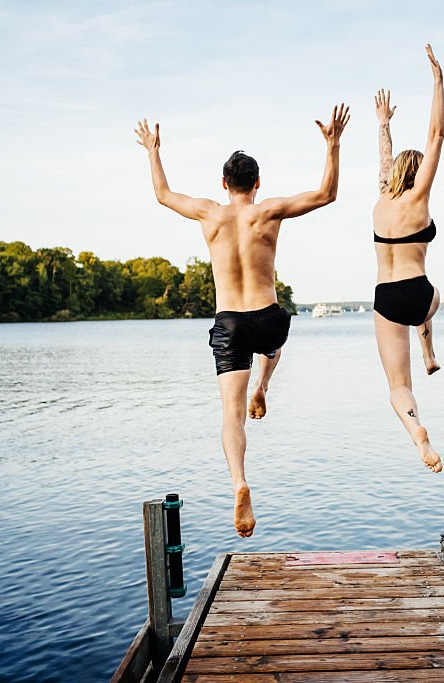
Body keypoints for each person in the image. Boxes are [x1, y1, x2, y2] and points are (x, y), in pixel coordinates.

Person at [135, 104, 350, 537]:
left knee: (231, 415)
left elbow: (163, 194)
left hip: (228, 320)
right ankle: (264, 383)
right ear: (256, 184)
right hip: (266, 317)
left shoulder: (208, 212)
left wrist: (153, 151)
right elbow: (326, 194)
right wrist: (333, 144)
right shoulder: (267, 210)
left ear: (223, 184)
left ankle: (238, 481)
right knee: (276, 338)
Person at [372, 45, 444, 473]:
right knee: (435, 298)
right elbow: (436, 137)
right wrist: (437, 82)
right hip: (420, 293)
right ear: (418, 175)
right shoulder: (419, 199)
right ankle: (430, 351)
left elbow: (385, 157)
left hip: (386, 298)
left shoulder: (382, 199)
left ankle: (418, 432)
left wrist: (383, 123)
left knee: (398, 386)